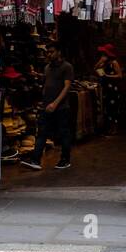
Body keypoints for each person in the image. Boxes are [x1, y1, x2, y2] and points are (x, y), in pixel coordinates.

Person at [21, 43, 75, 171]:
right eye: (48, 52)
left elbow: (67, 87)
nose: (49, 54)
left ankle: (65, 159)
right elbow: (47, 85)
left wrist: (55, 103)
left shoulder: (67, 67)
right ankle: (35, 160)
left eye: (52, 52)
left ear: (59, 52)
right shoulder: (47, 68)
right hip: (47, 106)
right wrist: (43, 101)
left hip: (61, 107)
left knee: (63, 134)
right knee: (42, 133)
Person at [94, 42, 126, 135]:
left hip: (113, 88)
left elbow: (120, 75)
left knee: (113, 108)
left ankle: (114, 128)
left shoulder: (114, 62)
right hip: (106, 88)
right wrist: (100, 61)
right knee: (107, 108)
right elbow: (95, 69)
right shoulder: (104, 62)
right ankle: (108, 128)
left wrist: (107, 76)